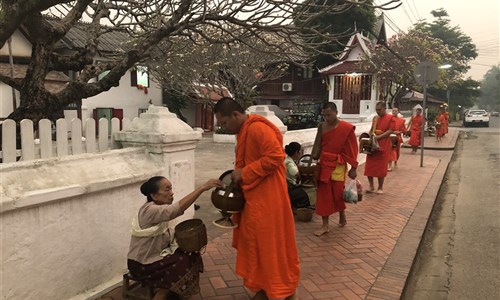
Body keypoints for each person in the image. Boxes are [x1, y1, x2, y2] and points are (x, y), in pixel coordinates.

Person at [214, 97, 300, 300]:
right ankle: (265, 286)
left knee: (270, 246)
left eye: (224, 123)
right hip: (255, 198)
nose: (224, 128)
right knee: (258, 245)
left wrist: (244, 172)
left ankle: (282, 290)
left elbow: (275, 157)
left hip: (269, 198)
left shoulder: (257, 129)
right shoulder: (244, 131)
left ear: (236, 114)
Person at [127, 176, 224, 300]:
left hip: (158, 256)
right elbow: (174, 210)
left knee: (190, 254)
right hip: (142, 264)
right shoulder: (150, 210)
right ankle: (161, 295)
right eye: (167, 190)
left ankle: (171, 290)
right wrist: (202, 188)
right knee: (182, 263)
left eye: (171, 188)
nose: (172, 193)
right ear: (154, 196)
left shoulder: (160, 209)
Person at [311, 102, 358, 236]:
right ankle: (325, 225)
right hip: (324, 164)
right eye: (324, 115)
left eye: (329, 115)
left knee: (338, 193)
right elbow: (317, 144)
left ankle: (342, 213)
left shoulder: (346, 128)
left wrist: (353, 167)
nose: (327, 118)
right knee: (323, 194)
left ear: (336, 112)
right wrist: (314, 159)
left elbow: (352, 149)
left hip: (338, 165)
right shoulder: (322, 126)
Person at [364, 101, 395, 194]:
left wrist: (380, 137)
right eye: (376, 110)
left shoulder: (390, 118)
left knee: (381, 166)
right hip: (373, 143)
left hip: (384, 144)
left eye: (379, 110)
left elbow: (391, 130)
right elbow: (371, 129)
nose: (378, 112)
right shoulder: (375, 118)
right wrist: (368, 138)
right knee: (369, 166)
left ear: (385, 108)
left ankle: (380, 187)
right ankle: (371, 186)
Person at [284, 142, 312, 209]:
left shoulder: (291, 160)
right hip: (290, 189)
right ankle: (298, 208)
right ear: (297, 152)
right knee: (306, 193)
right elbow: (296, 174)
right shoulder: (289, 162)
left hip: (292, 187)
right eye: (300, 151)